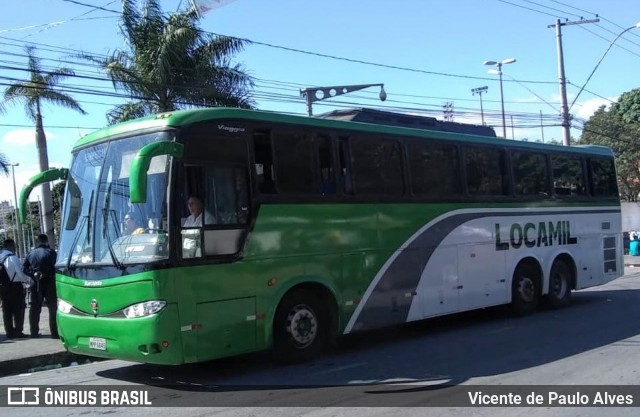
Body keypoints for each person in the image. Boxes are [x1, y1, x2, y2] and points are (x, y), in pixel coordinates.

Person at [23, 234, 58, 339]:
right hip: (49, 283)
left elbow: (24, 268)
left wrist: (33, 274)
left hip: (35, 283)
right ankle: (54, 333)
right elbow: (56, 268)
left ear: (38, 242)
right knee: (52, 308)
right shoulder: (52, 253)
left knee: (34, 308)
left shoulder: (31, 253)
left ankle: (34, 332)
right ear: (47, 241)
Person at [0, 239, 32, 339]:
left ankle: (9, 332)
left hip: (2, 286)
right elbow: (20, 273)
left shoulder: (0, 256)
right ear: (10, 245)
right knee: (18, 310)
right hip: (15, 286)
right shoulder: (13, 257)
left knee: (6, 310)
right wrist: (27, 281)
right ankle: (18, 331)